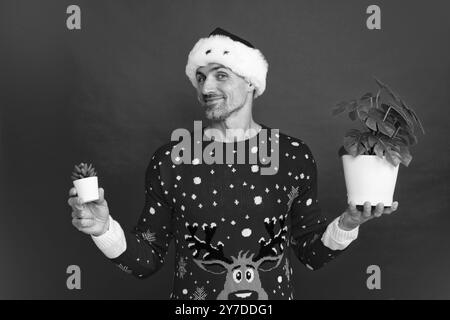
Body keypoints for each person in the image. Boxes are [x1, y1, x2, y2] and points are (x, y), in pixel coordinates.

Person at [67, 27, 399, 300]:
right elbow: (146, 261)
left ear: (252, 82)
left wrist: (349, 223)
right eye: (200, 77)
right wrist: (103, 229)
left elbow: (311, 254)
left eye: (220, 75)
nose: (205, 88)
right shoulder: (169, 160)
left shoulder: (293, 155)